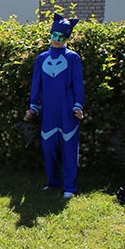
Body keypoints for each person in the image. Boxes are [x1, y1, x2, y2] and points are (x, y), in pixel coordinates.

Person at [25, 14, 85, 199]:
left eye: (62, 36)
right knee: (48, 147)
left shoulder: (73, 58)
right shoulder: (41, 58)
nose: (57, 39)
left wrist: (78, 106)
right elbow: (36, 85)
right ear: (50, 35)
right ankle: (53, 182)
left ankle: (70, 186)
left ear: (67, 38)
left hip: (68, 111)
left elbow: (78, 84)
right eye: (54, 35)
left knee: (69, 148)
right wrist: (34, 107)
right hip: (49, 111)